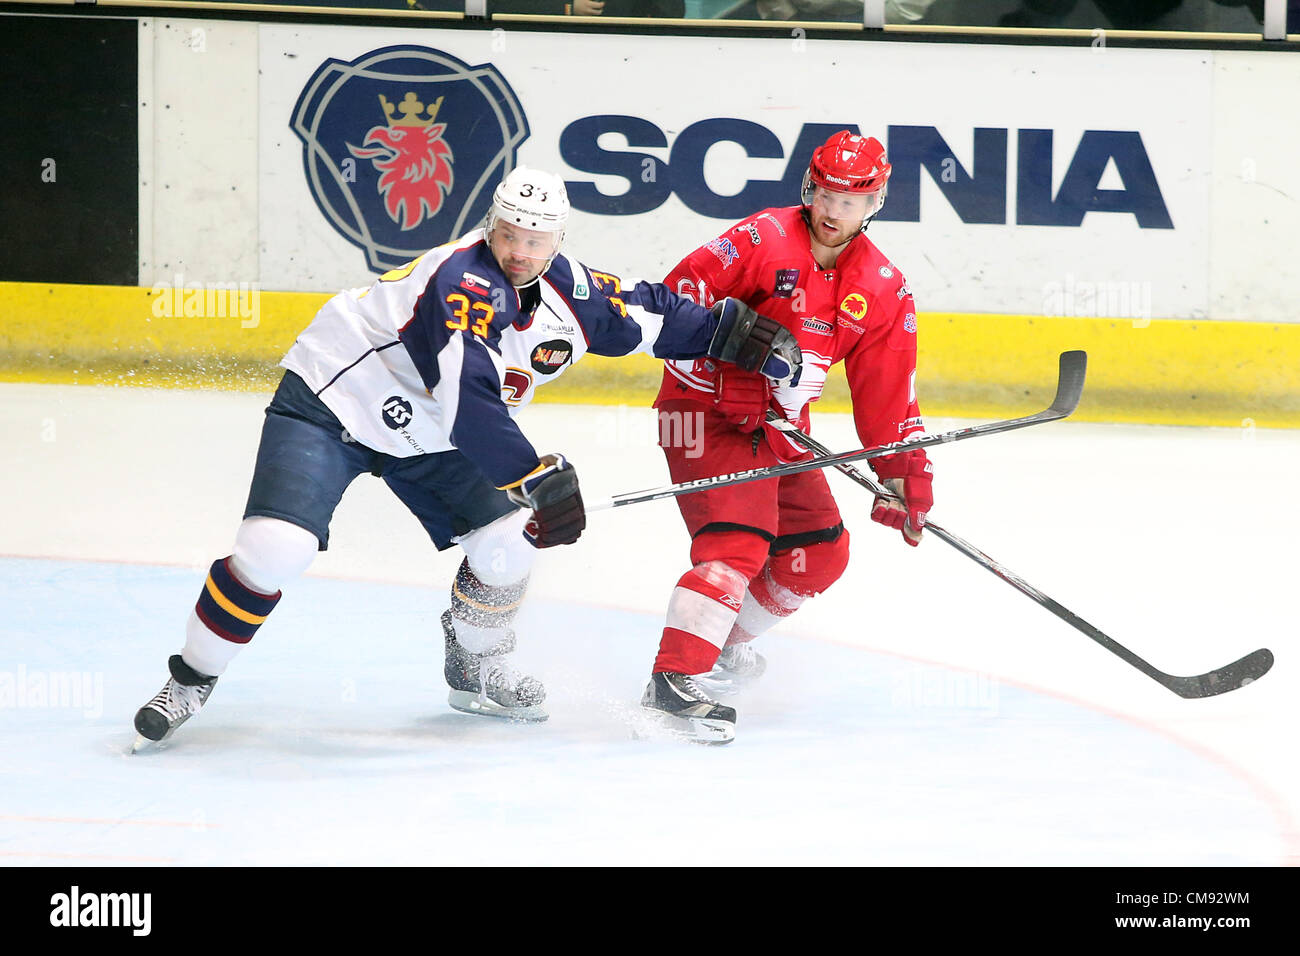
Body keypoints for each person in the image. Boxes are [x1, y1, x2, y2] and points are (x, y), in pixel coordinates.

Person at [133, 166, 799, 748]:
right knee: (275, 549)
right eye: (508, 234)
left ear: (558, 241)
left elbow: (640, 313)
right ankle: (189, 680)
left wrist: (726, 334)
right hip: (336, 404)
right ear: (491, 226)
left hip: (433, 439)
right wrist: (533, 475)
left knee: (510, 544)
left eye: (535, 240)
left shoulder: (569, 289)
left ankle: (477, 664)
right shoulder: (462, 284)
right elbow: (467, 401)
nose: (518, 250)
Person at [640, 131, 934, 744]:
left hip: (780, 433)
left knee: (821, 551)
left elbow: (888, 395)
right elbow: (667, 310)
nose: (833, 212)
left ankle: (719, 646)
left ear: (875, 203)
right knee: (738, 544)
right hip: (701, 416)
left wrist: (903, 475)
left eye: (850, 202)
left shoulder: (882, 286)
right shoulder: (760, 236)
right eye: (825, 195)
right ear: (808, 188)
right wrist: (729, 376)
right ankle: (673, 683)